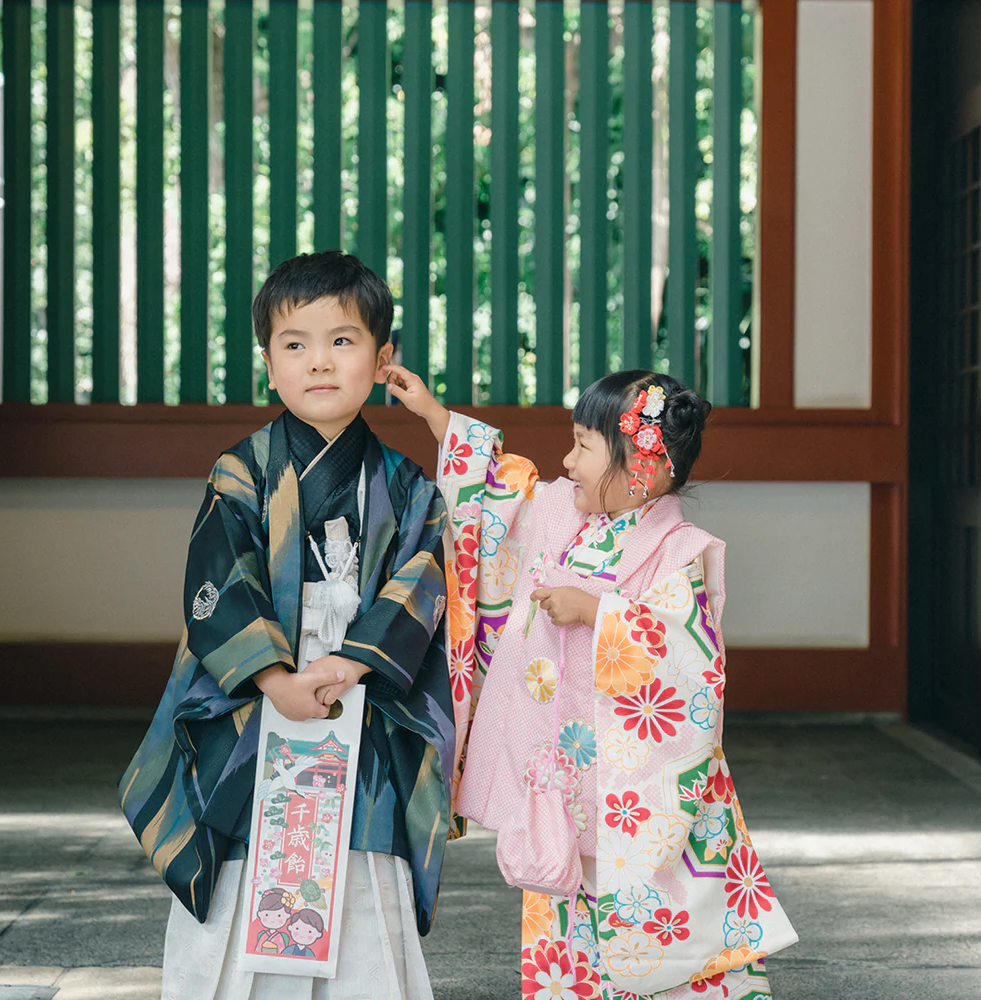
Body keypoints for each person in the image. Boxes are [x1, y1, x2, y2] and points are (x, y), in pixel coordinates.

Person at [386, 365, 798, 1000]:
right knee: (562, 902)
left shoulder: (678, 548)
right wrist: (435, 417)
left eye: (583, 445)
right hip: (563, 777)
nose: (566, 460)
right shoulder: (560, 515)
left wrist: (599, 613)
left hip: (637, 794)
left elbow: (692, 665)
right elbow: (499, 496)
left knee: (661, 923)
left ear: (643, 464)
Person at [119, 252, 455, 1000]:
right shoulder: (240, 472)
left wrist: (354, 666)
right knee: (249, 866)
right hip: (255, 709)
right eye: (294, 344)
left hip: (357, 706)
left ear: (384, 357)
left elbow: (425, 577)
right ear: (268, 364)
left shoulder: (406, 485)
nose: (319, 362)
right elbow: (218, 580)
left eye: (343, 341)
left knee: (359, 863)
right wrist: (274, 678)